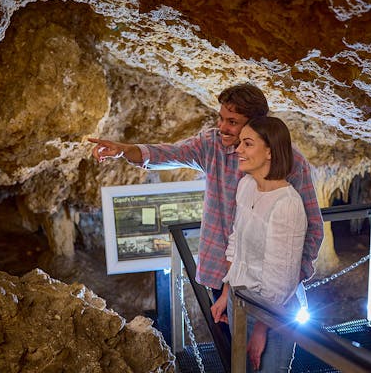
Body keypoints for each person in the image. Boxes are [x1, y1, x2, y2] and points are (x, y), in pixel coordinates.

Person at [88, 82, 323, 310]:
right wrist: (123, 149)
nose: (222, 127)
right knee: (230, 346)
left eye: (232, 122)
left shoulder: (292, 163)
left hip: (270, 280)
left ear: (256, 125)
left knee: (266, 346)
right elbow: (171, 153)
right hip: (223, 271)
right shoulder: (213, 145)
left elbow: (312, 225)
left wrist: (296, 276)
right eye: (221, 118)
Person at [211, 117, 305, 371]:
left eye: (247, 144)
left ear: (270, 152)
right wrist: (226, 293)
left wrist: (260, 330)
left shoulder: (286, 204)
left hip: (272, 316)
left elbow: (281, 282)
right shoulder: (247, 186)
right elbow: (236, 244)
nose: (238, 149)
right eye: (240, 142)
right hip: (240, 302)